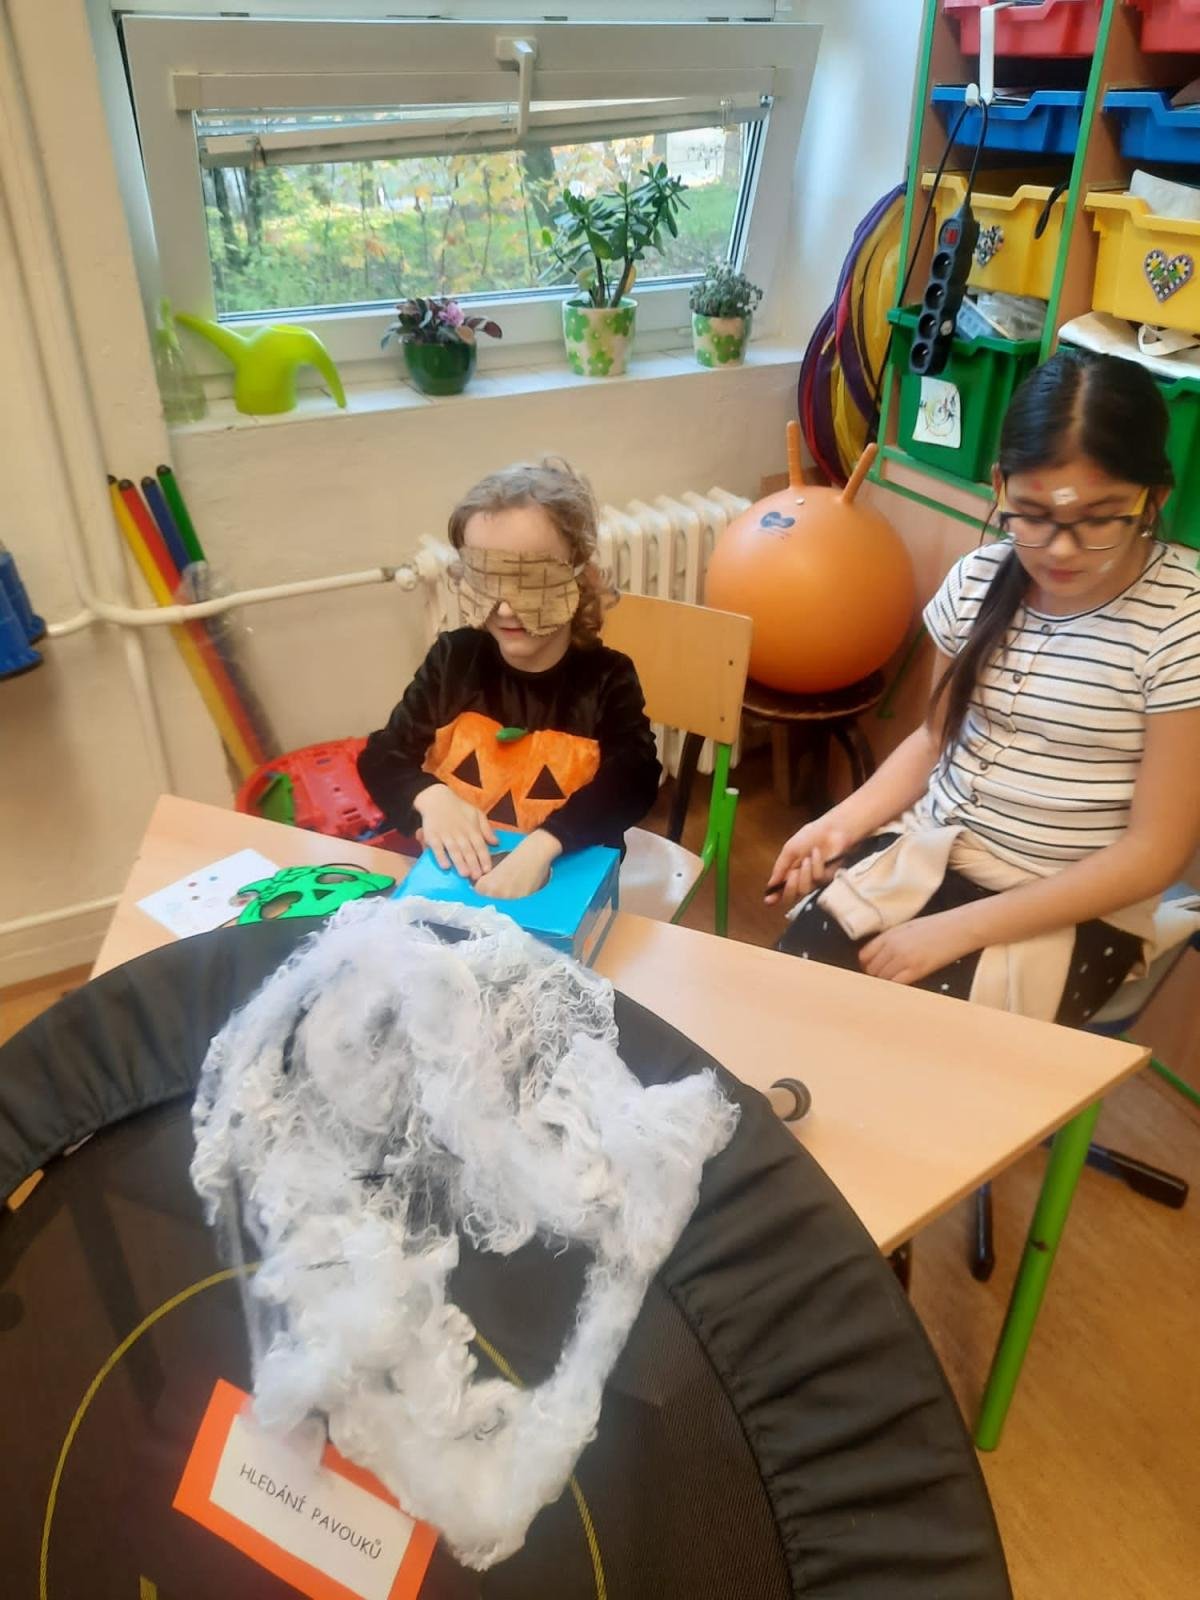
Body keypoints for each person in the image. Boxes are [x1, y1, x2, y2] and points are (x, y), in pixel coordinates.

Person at [767, 350, 1200, 1024]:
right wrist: (837, 824)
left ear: (1155, 498)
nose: (1060, 548)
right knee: (787, 1000)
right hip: (936, 850)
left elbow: (1155, 854)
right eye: (1032, 513)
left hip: (1070, 902)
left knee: (915, 1052)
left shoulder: (1180, 622)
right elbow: (933, 737)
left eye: (1100, 517)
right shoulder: (977, 579)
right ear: (999, 487)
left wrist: (956, 930)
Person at [359, 458, 660, 899]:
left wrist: (546, 843)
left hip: (563, 880)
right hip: (456, 878)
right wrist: (431, 798)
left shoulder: (606, 679)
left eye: (529, 582)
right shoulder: (453, 660)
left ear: (577, 573)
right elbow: (382, 756)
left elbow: (634, 778)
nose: (503, 609)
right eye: (486, 580)